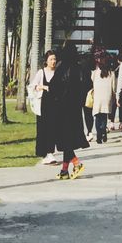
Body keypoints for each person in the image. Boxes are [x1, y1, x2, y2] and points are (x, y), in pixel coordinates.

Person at [47, 41, 88, 179]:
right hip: (75, 108)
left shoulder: (61, 67)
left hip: (62, 108)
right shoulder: (78, 68)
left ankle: (77, 163)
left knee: (64, 139)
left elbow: (53, 87)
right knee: (68, 139)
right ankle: (64, 170)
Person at [31, 50, 60, 164]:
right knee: (42, 128)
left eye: (54, 59)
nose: (53, 61)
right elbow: (33, 86)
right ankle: (43, 153)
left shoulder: (57, 73)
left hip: (55, 105)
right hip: (43, 105)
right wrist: (42, 87)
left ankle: (50, 153)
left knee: (52, 128)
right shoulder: (41, 72)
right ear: (46, 61)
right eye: (51, 59)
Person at [90, 52, 116, 144]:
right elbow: (114, 88)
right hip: (107, 98)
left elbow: (92, 83)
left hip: (98, 97)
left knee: (97, 117)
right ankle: (104, 132)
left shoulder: (95, 73)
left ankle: (98, 136)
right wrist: (114, 97)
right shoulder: (111, 73)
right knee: (104, 117)